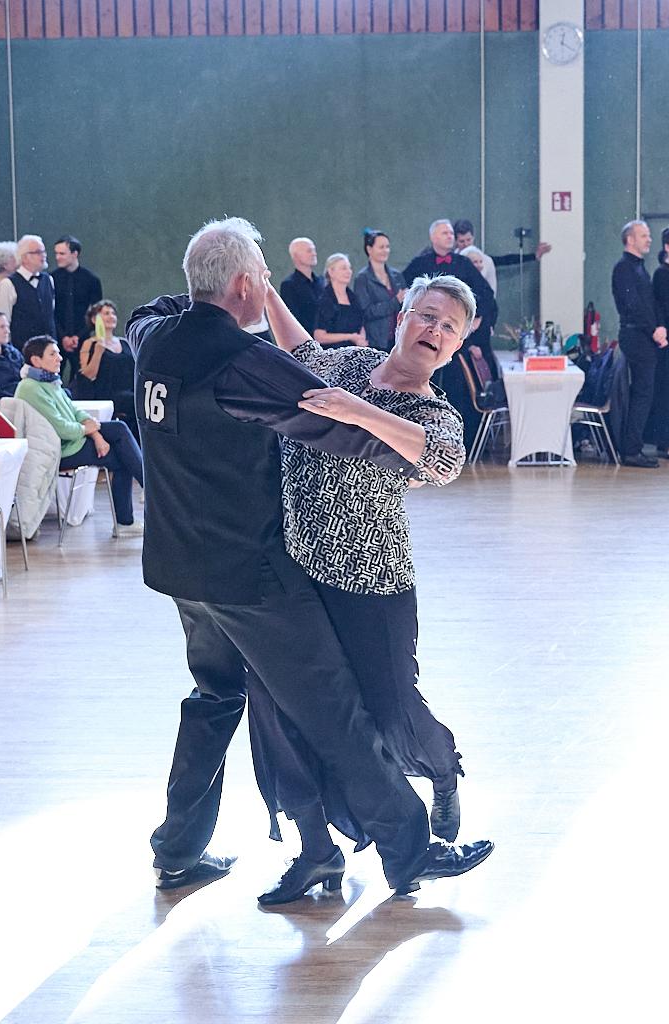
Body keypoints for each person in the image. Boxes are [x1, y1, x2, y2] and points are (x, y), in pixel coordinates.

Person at [126, 216, 493, 903]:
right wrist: (386, 437)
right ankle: (404, 853)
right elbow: (325, 420)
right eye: (261, 276)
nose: (432, 329)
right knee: (330, 714)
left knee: (220, 699)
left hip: (182, 568)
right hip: (251, 575)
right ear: (244, 285)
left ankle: (177, 850)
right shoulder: (245, 363)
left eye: (448, 325)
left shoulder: (152, 338)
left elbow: (155, 309)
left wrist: (208, 290)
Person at [248, 275, 475, 903]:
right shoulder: (351, 362)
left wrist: (358, 412)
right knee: (291, 711)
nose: (434, 332)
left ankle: (443, 775)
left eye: (448, 327)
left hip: (374, 586)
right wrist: (266, 290)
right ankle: (313, 848)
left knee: (393, 713)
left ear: (456, 347)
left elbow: (441, 460)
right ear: (402, 317)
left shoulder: (433, 411)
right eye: (427, 317)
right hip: (300, 575)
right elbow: (299, 355)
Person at [14, 335, 143, 533]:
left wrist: (96, 434)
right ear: (36, 360)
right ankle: (140, 504)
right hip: (60, 449)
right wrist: (87, 430)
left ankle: (142, 498)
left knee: (119, 430)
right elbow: (62, 428)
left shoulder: (49, 380)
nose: (59, 358)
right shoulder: (30, 388)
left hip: (75, 438)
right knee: (122, 457)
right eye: (53, 354)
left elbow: (75, 412)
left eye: (58, 353)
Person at [612, 220, 667, 467]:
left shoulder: (639, 268)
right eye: (644, 236)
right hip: (637, 336)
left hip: (643, 335)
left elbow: (648, 304)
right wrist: (654, 329)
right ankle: (632, 449)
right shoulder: (624, 268)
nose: (649, 239)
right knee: (642, 393)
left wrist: (660, 326)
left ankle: (633, 446)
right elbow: (633, 306)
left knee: (644, 392)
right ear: (630, 240)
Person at [75, 300, 138, 441]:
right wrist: (98, 351)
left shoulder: (125, 343)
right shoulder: (89, 344)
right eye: (106, 313)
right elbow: (88, 375)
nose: (111, 316)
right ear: (94, 319)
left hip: (129, 392)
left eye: (113, 313)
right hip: (107, 395)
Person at [52, 235, 103, 385]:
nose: (57, 257)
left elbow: (96, 313)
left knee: (82, 381)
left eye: (62, 253)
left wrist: (79, 336)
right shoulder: (51, 279)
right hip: (57, 338)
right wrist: (63, 336)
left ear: (75, 254)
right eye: (56, 253)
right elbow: (50, 311)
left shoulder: (91, 280)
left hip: (82, 339)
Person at [453, 218, 552, 294]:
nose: (466, 244)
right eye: (462, 241)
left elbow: (504, 260)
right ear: (455, 241)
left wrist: (534, 256)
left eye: (469, 240)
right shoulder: (452, 258)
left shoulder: (483, 259)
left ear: (473, 238)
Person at [0, 235, 56, 351]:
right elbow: (4, 321)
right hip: (22, 350)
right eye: (38, 252)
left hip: (48, 350)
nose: (43, 255)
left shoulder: (48, 280)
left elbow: (50, 313)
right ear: (24, 257)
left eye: (44, 251)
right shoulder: (8, 284)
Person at [353, 229, 407, 351]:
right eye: (381, 247)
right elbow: (367, 312)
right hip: (376, 341)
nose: (385, 250)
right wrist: (395, 301)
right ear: (369, 249)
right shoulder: (363, 278)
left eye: (387, 247)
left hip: (398, 339)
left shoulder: (396, 275)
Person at [651, 226, 669, 459]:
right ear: (667, 247)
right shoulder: (662, 274)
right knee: (668, 388)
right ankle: (667, 440)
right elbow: (665, 308)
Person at [459, 245, 499, 379]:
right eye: (474, 262)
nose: (478, 265)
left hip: (484, 338)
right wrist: (470, 346)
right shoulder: (463, 287)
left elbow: (493, 308)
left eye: (480, 261)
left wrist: (488, 323)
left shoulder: (484, 285)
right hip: (471, 343)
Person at [314, 253, 366, 348]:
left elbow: (361, 324)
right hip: (332, 355)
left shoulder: (354, 298)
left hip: (354, 353)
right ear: (331, 272)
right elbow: (319, 336)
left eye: (349, 268)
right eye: (344, 268)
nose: (349, 271)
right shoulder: (324, 300)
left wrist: (361, 339)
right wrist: (350, 337)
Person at [279, 237, 325, 333]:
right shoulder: (289, 285)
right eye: (309, 251)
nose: (314, 254)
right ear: (296, 256)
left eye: (314, 250)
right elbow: (293, 319)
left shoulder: (321, 281)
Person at [0, 311, 24, 399]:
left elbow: (27, 373)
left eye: (7, 326)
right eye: (2, 327)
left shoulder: (13, 352)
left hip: (23, 396)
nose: (7, 331)